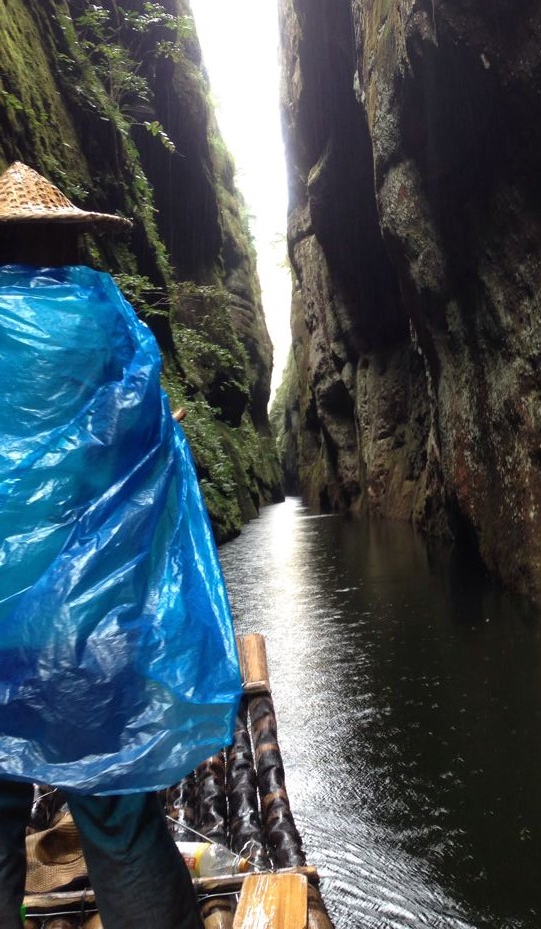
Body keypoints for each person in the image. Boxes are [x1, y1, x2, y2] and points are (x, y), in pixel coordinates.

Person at [0, 162, 243, 929]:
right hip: (88, 627)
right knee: (115, 821)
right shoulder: (110, 325)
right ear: (71, 238)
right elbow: (151, 462)